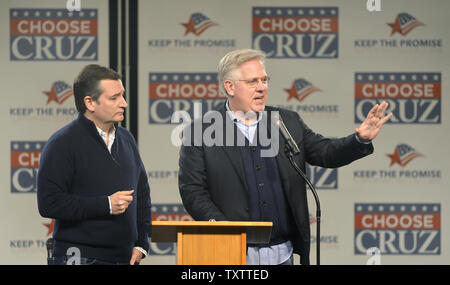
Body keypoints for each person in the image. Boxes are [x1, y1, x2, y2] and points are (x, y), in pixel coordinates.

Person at [178, 49, 392, 265]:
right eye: (252, 81)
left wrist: (359, 140)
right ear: (230, 87)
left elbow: (326, 153)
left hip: (283, 255)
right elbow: (193, 191)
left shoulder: (286, 122)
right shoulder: (201, 132)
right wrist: (226, 231)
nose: (262, 87)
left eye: (264, 80)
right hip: (230, 255)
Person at [37, 64, 151, 265]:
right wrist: (105, 204)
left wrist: (141, 243)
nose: (124, 103)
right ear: (90, 102)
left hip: (124, 258)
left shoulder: (127, 139)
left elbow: (141, 194)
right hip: (79, 257)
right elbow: (49, 203)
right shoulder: (62, 143)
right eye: (114, 98)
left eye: (122, 96)